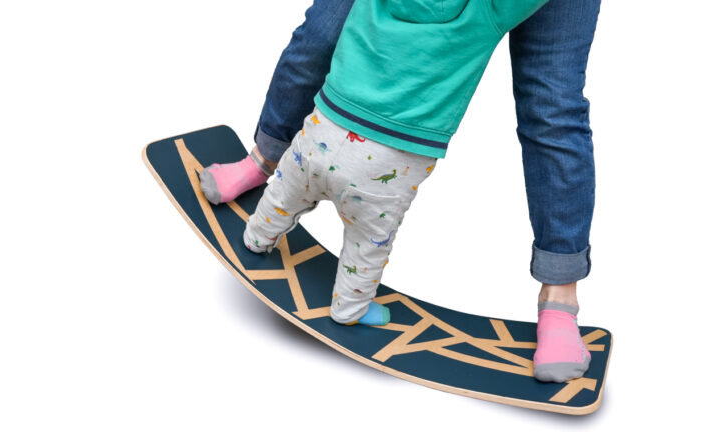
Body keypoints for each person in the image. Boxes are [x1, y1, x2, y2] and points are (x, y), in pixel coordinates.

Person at [199, 0, 601, 384]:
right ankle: (265, 160)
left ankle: (559, 298)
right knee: (321, 34)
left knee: (552, 107)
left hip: (326, 139)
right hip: (388, 163)